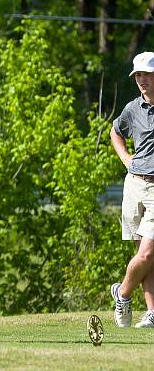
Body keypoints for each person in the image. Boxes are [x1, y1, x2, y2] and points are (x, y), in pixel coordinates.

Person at [110, 50, 154, 328]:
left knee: (148, 254)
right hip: (135, 185)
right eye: (137, 75)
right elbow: (115, 132)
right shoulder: (131, 108)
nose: (141, 79)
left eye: (146, 74)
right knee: (147, 258)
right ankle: (152, 313)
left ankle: (122, 293)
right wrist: (126, 158)